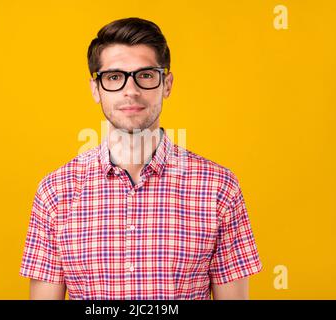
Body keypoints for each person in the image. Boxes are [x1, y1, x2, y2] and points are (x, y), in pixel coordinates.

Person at [19, 17, 263, 300]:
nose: (130, 90)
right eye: (114, 77)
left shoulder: (219, 188)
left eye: (145, 75)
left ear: (167, 84)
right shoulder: (55, 192)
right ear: (95, 89)